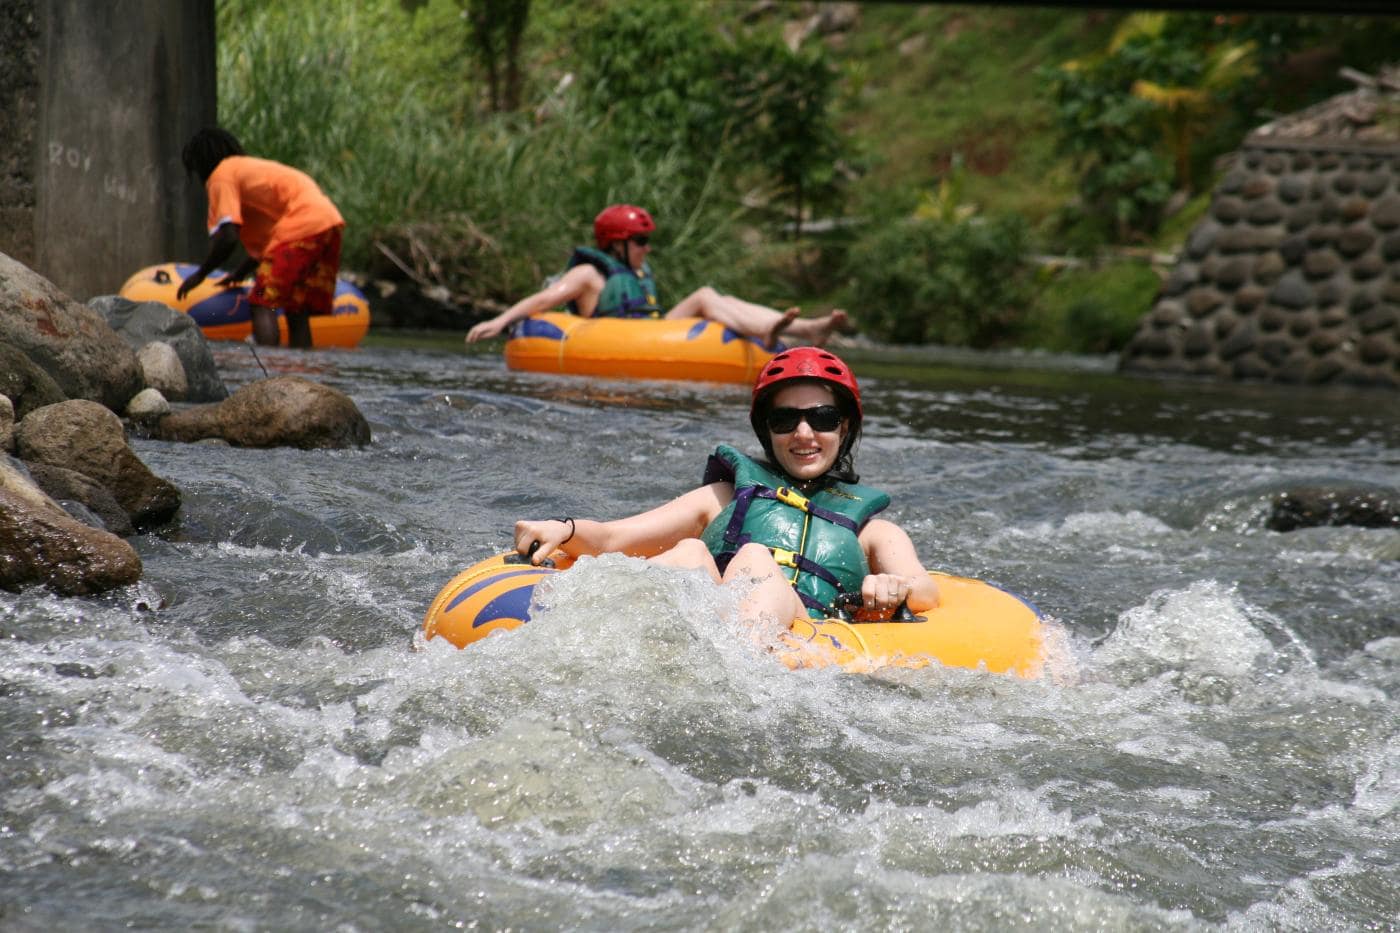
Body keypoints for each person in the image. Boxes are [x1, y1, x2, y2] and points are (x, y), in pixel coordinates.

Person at [510, 347, 939, 628]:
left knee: (755, 557)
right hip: (710, 624)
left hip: (801, 632)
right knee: (691, 553)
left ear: (843, 428)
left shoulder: (872, 533)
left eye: (822, 419)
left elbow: (925, 589)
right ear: (766, 431)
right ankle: (590, 629)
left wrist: (891, 588)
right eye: (785, 420)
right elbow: (613, 539)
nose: (804, 433)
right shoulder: (722, 498)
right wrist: (563, 529)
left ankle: (736, 672)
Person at [464, 204, 850, 349]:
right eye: (641, 240)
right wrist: (499, 321)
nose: (648, 248)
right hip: (613, 338)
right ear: (616, 245)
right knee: (704, 298)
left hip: (649, 330)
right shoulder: (588, 274)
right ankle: (785, 330)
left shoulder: (636, 268)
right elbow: (543, 300)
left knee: (714, 297)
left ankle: (794, 329)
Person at [177, 127, 346, 349]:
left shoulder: (222, 175)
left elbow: (229, 237)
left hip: (303, 225)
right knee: (297, 309)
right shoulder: (246, 171)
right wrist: (240, 272)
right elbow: (273, 246)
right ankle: (305, 375)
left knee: (261, 300)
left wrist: (200, 274)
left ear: (202, 163)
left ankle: (268, 373)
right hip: (328, 224)